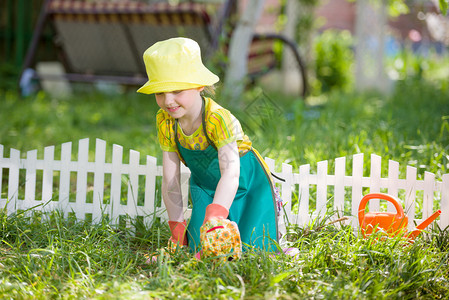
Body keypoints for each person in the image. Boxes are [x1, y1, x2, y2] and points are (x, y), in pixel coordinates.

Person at [137, 37, 283, 256]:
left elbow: (231, 174)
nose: (168, 101)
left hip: (245, 183)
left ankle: (279, 244)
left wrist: (215, 217)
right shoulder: (166, 121)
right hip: (205, 186)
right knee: (199, 247)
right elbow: (170, 180)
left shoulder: (218, 119)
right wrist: (177, 230)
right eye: (160, 93)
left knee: (256, 246)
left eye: (177, 91)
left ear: (199, 86)